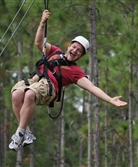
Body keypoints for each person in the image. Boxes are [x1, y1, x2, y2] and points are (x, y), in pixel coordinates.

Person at [9, 9, 127, 151]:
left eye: (79, 51)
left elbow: (92, 87)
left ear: (80, 56)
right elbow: (39, 43)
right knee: (16, 94)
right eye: (74, 47)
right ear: (69, 46)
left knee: (29, 94)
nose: (75, 51)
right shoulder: (55, 51)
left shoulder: (75, 72)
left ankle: (20, 133)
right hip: (35, 80)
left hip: (49, 88)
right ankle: (25, 132)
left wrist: (110, 100)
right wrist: (42, 23)